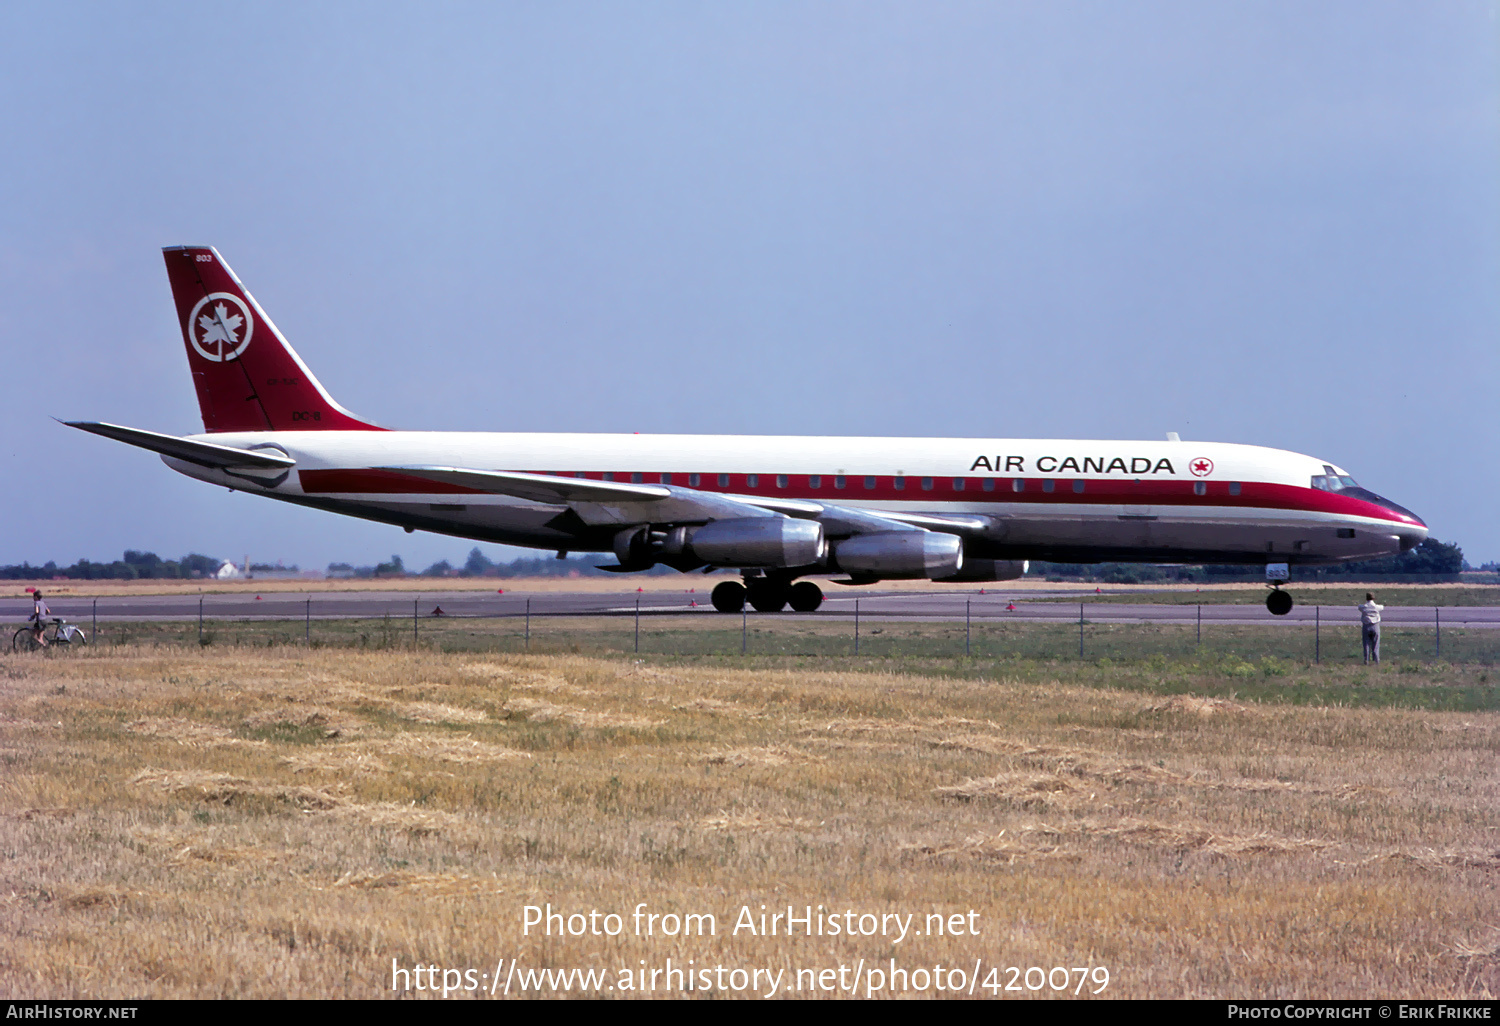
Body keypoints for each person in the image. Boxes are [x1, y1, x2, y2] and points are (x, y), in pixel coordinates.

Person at [1358, 592, 1383, 665]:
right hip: (1375, 626)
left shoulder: (1363, 607)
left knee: (1366, 644)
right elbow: (1382, 607)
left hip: (1366, 626)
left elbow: (1359, 607)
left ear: (1366, 598)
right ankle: (1376, 661)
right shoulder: (1376, 607)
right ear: (1373, 598)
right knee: (1375, 645)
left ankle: (1366, 660)